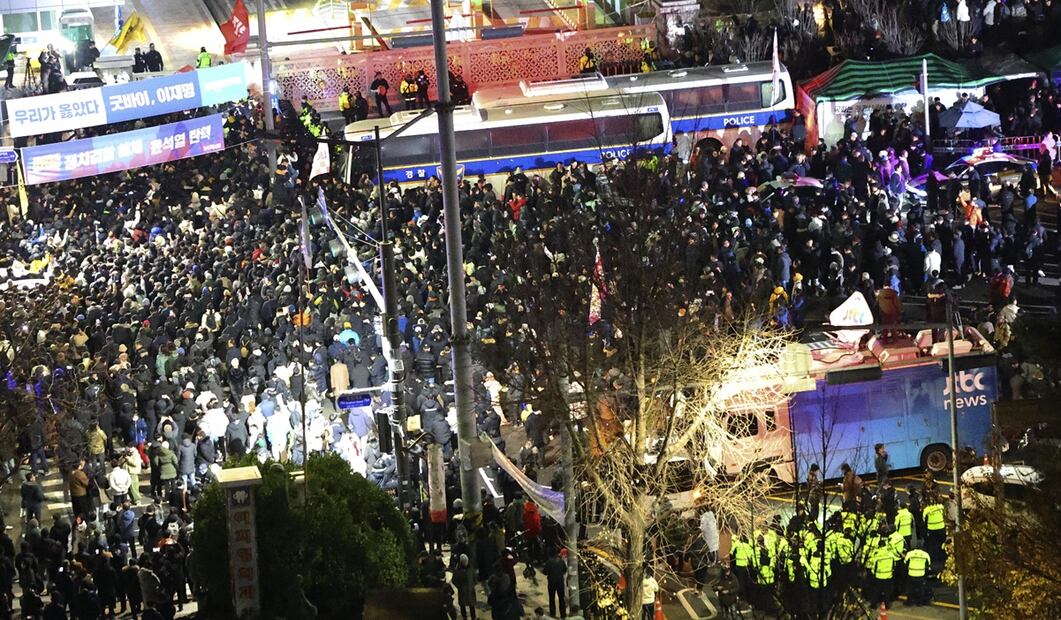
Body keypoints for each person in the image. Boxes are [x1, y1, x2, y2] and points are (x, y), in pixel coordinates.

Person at [451, 553, 476, 620]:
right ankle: (464, 617)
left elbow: (475, 577)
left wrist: (473, 585)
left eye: (466, 561)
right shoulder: (458, 570)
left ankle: (473, 617)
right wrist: (459, 587)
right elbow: (454, 580)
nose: (466, 563)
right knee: (463, 605)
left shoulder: (471, 568)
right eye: (464, 561)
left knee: (472, 605)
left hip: (470, 590)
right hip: (463, 590)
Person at [543, 548, 567, 618]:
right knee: (561, 599)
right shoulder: (561, 561)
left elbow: (544, 572)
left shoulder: (549, 562)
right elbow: (564, 570)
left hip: (551, 582)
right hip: (560, 582)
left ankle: (553, 613)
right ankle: (563, 614)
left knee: (552, 598)